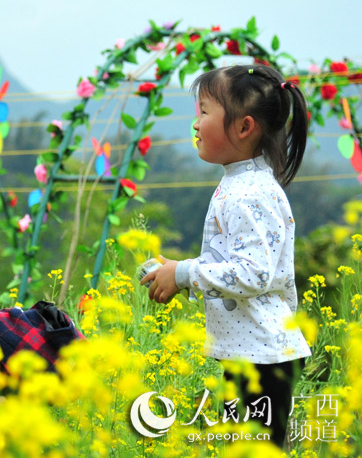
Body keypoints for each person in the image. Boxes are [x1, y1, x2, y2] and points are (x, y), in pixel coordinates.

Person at [142, 63, 311, 447]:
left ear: (243, 127)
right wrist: (176, 272)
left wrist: (184, 273)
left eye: (204, 112)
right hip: (253, 354)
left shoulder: (249, 192)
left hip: (265, 359)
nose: (196, 125)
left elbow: (253, 273)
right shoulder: (239, 182)